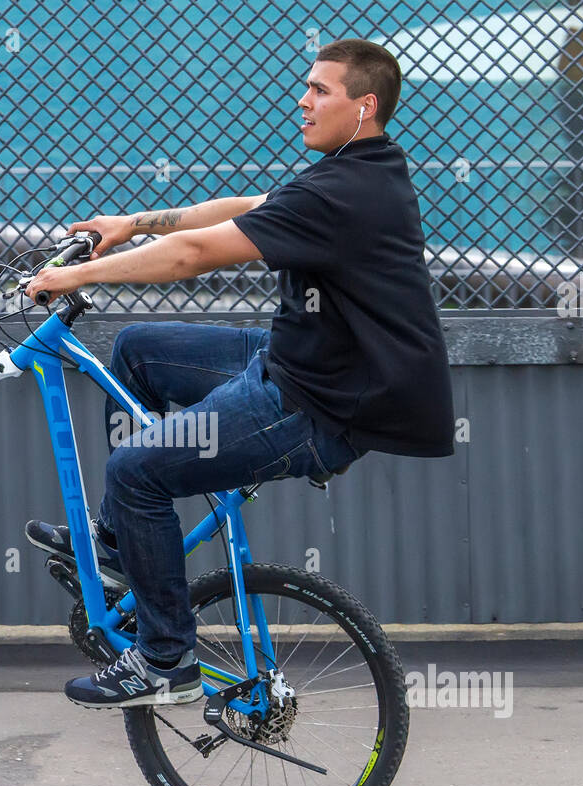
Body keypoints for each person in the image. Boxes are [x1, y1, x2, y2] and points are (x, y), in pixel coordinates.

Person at [24, 38, 454, 708]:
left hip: (318, 406)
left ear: (364, 106)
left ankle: (166, 659)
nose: (303, 101)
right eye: (305, 87)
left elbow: (193, 254)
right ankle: (114, 554)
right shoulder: (356, 170)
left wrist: (75, 275)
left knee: (137, 472)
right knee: (137, 350)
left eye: (320, 91)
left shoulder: (346, 191)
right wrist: (126, 224)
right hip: (295, 362)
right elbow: (232, 210)